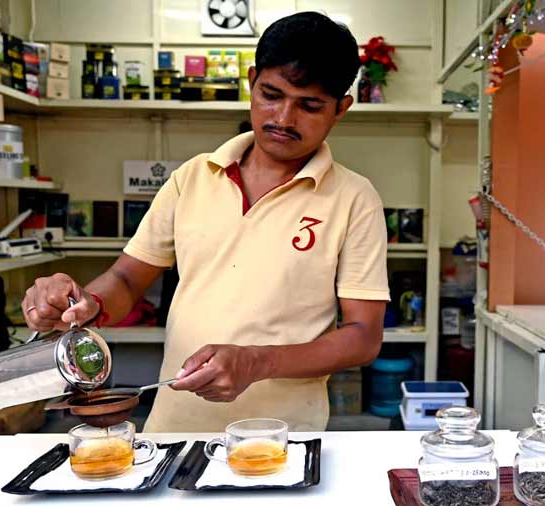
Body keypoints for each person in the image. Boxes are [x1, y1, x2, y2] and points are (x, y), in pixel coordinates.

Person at [22, 12, 389, 432]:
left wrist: (257, 361)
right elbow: (126, 280)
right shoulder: (193, 178)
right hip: (175, 428)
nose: (284, 118)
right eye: (271, 94)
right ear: (252, 81)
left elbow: (363, 336)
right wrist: (85, 304)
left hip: (282, 438)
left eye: (309, 105)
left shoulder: (354, 199)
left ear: (341, 108)